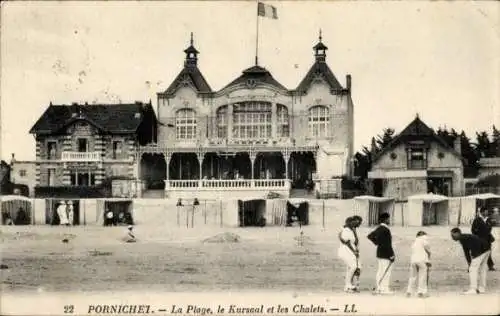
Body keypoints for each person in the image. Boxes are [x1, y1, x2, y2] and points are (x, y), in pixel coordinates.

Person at [450, 227, 491, 294]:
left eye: (453, 235)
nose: (452, 237)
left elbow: (473, 246)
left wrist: (474, 257)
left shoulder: (463, 238)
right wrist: (469, 262)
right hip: (487, 249)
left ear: (458, 233)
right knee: (482, 269)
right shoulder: (463, 238)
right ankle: (482, 288)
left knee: (473, 269)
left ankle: (473, 289)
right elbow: (466, 251)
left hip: (481, 250)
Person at [367, 213, 395, 294]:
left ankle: (379, 287)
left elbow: (370, 236)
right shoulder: (385, 229)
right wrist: (391, 255)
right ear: (385, 219)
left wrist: (377, 243)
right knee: (386, 271)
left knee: (380, 270)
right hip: (386, 253)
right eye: (388, 219)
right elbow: (387, 244)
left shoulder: (379, 228)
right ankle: (384, 289)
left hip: (379, 252)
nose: (389, 220)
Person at [338, 216, 362, 293]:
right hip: (345, 250)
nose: (357, 224)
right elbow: (347, 243)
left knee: (355, 267)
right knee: (353, 266)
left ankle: (350, 285)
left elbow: (355, 242)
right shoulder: (345, 230)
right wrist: (354, 251)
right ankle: (348, 285)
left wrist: (355, 232)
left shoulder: (352, 230)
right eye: (355, 223)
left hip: (351, 250)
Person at [406, 231, 431, 298]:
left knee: (412, 276)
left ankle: (409, 292)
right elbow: (428, 251)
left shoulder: (414, 242)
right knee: (422, 276)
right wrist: (428, 261)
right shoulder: (424, 239)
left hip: (413, 260)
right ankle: (421, 292)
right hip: (422, 260)